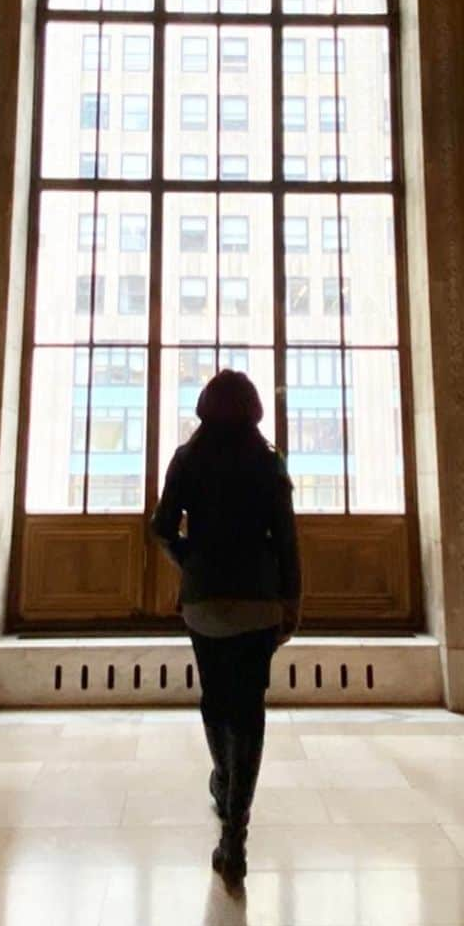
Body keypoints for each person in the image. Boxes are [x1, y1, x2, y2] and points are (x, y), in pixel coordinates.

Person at [151, 369, 302, 890]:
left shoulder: (187, 458)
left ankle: (222, 779)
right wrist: (293, 597)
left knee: (215, 698)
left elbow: (161, 527)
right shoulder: (268, 461)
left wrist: (191, 559)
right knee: (250, 708)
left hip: (205, 600)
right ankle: (235, 833)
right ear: (255, 408)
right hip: (259, 599)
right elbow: (286, 537)